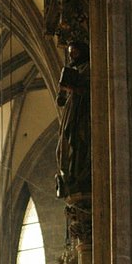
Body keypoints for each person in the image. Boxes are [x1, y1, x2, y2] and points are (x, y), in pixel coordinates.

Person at [55, 40, 91, 198]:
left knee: (78, 143)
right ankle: (69, 176)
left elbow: (90, 90)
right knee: (63, 146)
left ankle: (79, 174)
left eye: (74, 53)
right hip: (71, 110)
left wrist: (72, 88)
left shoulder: (90, 67)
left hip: (82, 112)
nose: (72, 56)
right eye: (70, 54)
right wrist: (62, 92)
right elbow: (60, 101)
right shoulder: (73, 70)